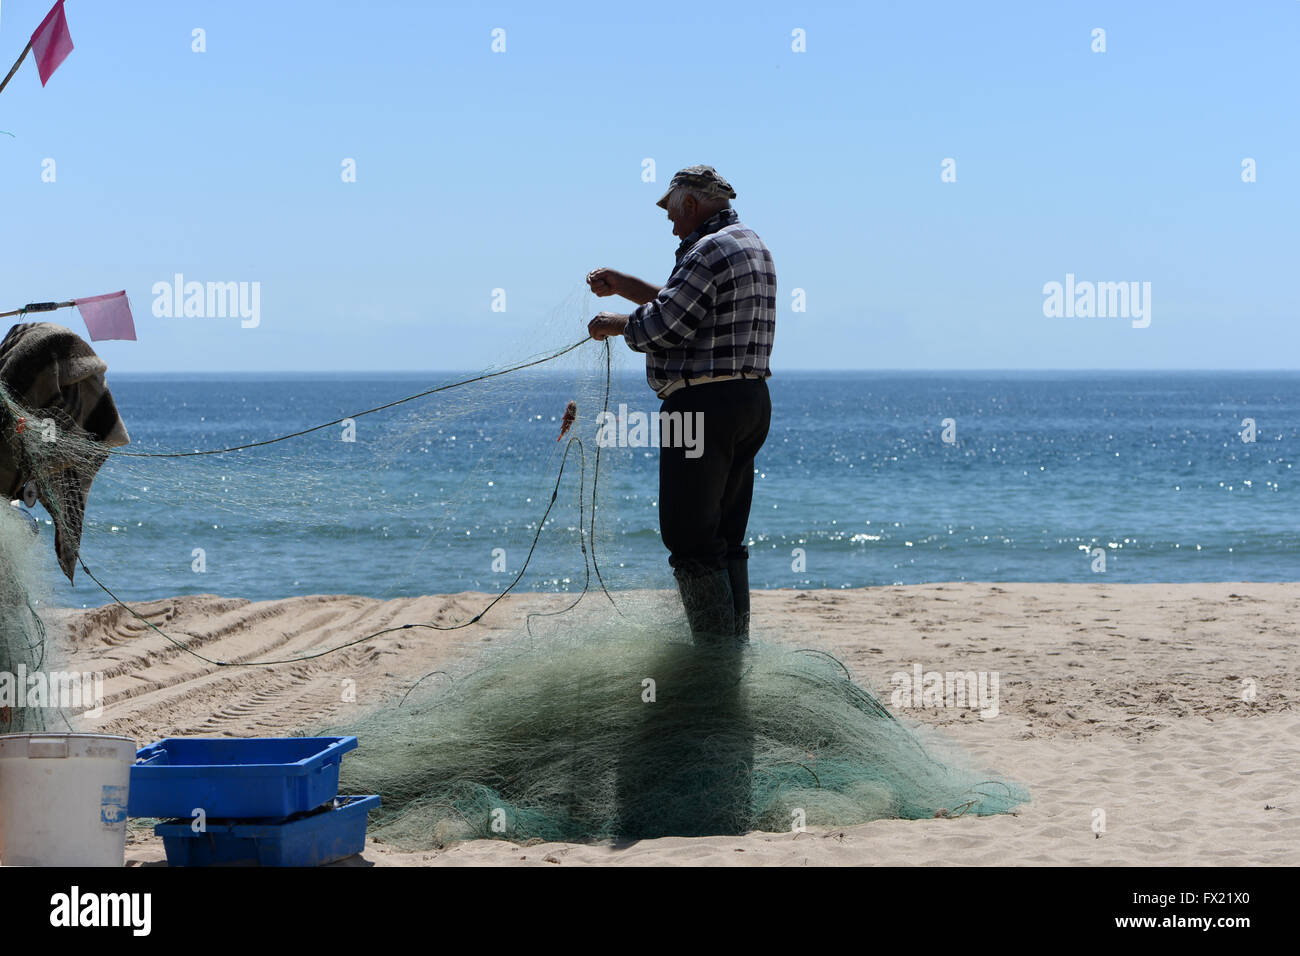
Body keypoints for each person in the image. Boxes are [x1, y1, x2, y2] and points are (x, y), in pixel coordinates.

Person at [587, 165, 775, 644]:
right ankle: (733, 650)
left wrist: (617, 323)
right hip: (748, 402)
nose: (670, 224)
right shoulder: (748, 242)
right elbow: (689, 307)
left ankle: (712, 666)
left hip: (700, 407)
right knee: (725, 536)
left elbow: (664, 325)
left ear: (690, 204)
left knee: (689, 538)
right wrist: (626, 284)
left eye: (671, 212)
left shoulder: (707, 250)